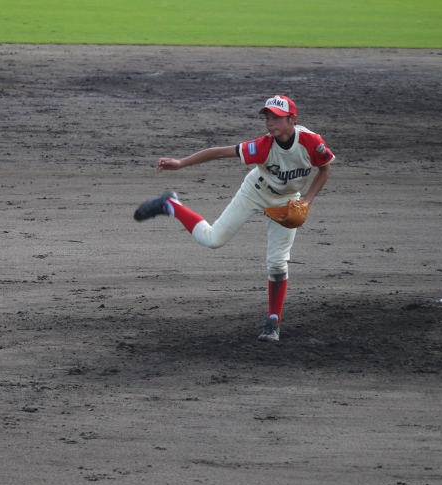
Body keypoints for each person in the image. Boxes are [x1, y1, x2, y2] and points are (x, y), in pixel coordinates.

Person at [133, 95, 335, 342]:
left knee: (278, 263)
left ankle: (273, 321)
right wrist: (181, 163)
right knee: (213, 239)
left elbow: (325, 168)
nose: (270, 123)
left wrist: (307, 201)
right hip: (255, 192)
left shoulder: (311, 142)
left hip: (287, 200)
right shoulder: (263, 146)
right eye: (267, 118)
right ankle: (170, 204)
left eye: (276, 118)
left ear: (292, 119)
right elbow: (219, 152)